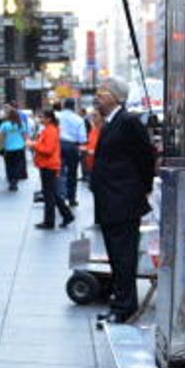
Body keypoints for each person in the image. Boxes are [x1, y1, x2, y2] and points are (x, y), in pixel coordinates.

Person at [91, 78, 156, 321]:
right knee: (116, 255)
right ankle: (120, 301)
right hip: (110, 200)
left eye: (103, 92)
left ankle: (125, 306)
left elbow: (145, 158)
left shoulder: (128, 122)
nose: (98, 96)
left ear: (116, 97)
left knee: (124, 255)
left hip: (123, 201)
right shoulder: (110, 123)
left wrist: (142, 188)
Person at [30, 109, 75, 230]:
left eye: (42, 117)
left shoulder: (50, 131)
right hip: (47, 164)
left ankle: (50, 221)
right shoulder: (49, 130)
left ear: (49, 119)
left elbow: (47, 150)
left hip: (48, 165)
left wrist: (34, 145)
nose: (40, 119)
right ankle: (67, 215)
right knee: (52, 193)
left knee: (49, 194)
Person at [56, 98, 88, 206]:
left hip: (58, 145)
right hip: (72, 147)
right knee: (72, 173)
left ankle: (59, 196)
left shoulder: (57, 116)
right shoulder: (79, 119)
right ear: (74, 106)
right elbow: (82, 139)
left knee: (58, 171)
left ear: (64, 105)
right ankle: (71, 199)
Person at [0, 105, 29, 191]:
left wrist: (1, 146)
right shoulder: (20, 124)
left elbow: (1, 137)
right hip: (19, 147)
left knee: (9, 165)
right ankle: (15, 181)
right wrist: (26, 144)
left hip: (8, 148)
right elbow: (24, 135)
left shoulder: (4, 125)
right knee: (17, 165)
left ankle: (11, 181)